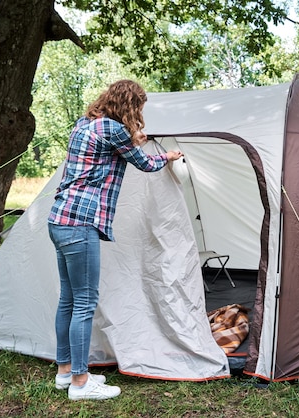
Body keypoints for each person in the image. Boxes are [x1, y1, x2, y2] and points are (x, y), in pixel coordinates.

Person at [47, 80, 184, 401]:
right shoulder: (115, 130)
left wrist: (133, 139)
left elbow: (110, 148)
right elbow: (145, 163)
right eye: (139, 107)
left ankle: (65, 372)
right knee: (84, 303)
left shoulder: (85, 124)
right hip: (81, 224)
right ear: (131, 105)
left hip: (58, 218)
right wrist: (169, 156)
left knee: (68, 299)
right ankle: (81, 384)